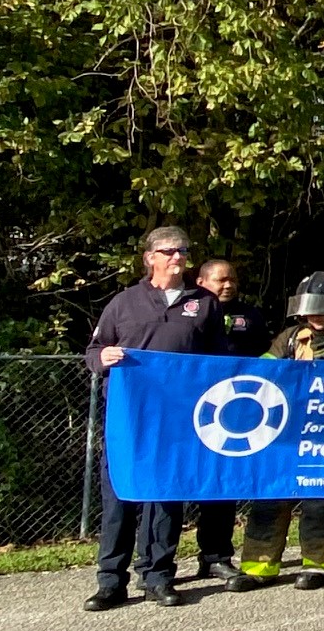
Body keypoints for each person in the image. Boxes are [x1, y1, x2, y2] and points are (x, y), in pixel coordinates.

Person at [82, 226, 224, 610]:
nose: (177, 257)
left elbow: (219, 364)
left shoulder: (205, 304)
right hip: (128, 420)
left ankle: (158, 576)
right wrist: (103, 358)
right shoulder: (123, 303)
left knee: (165, 499)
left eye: (183, 250)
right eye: (169, 251)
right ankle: (111, 581)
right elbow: (93, 352)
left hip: (177, 421)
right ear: (150, 258)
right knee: (120, 498)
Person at [227, 272, 324, 591]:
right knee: (269, 498)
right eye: (308, 307)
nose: (312, 314)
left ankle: (321, 565)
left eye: (320, 307)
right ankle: (258, 567)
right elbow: (264, 373)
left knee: (320, 501)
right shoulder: (290, 337)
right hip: (285, 435)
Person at [192, 258, 270, 583]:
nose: (228, 285)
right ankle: (155, 565)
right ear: (201, 281)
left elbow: (269, 358)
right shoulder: (187, 313)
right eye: (221, 280)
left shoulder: (250, 316)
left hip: (234, 412)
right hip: (189, 409)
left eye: (232, 279)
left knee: (222, 485)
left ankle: (216, 556)